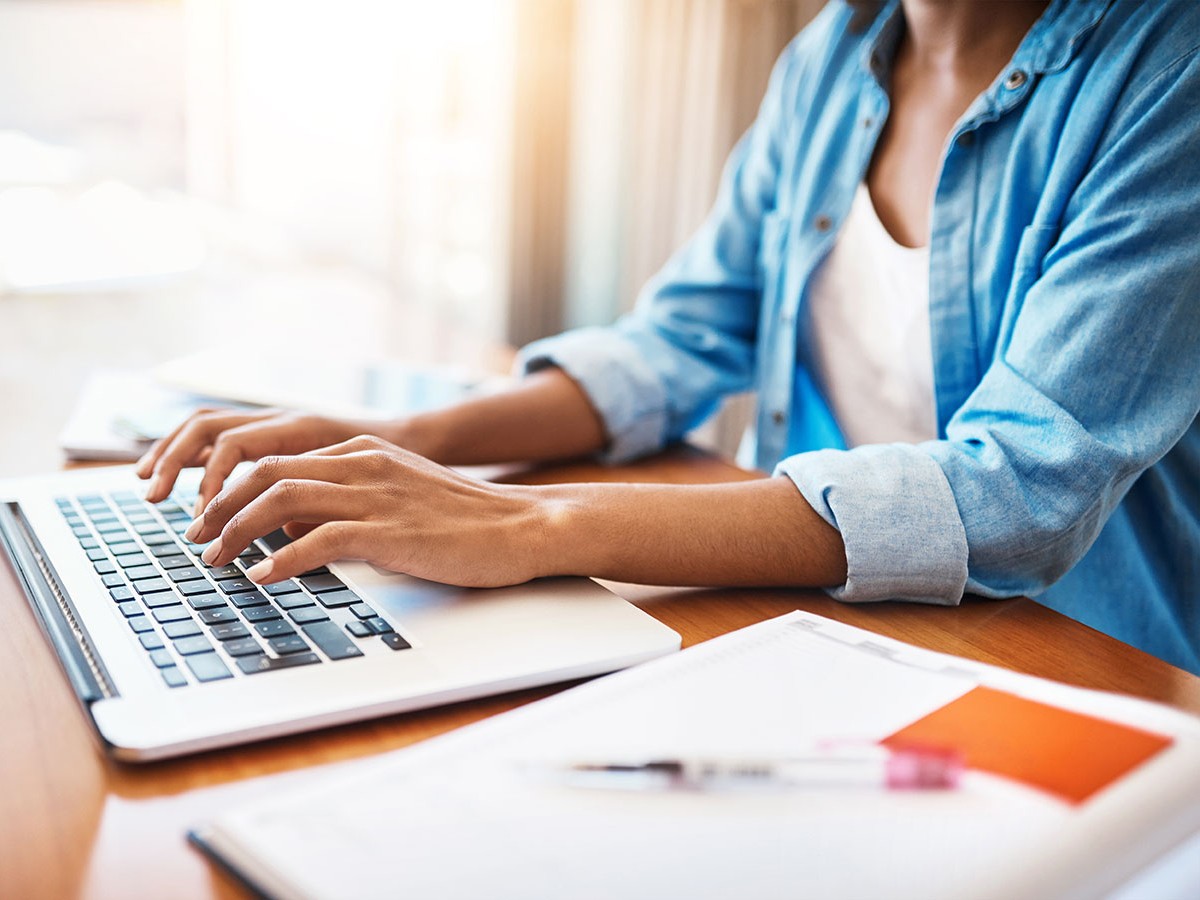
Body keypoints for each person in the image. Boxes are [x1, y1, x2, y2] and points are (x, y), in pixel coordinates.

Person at [139, 0, 1200, 674]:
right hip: (839, 632)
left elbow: (1020, 490)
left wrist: (530, 525)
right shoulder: (832, 57)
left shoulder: (1168, 70)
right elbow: (681, 338)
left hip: (1090, 668)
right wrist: (409, 439)